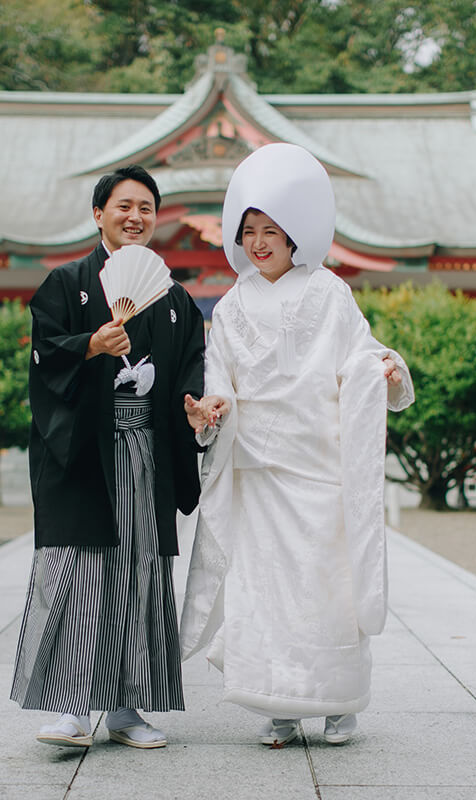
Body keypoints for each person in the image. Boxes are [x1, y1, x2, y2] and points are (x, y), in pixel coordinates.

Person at [181, 143, 414, 747]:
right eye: (249, 230)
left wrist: (380, 369)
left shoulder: (330, 293)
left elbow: (358, 354)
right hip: (259, 469)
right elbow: (219, 377)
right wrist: (210, 408)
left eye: (271, 230)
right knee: (264, 591)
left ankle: (339, 705)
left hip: (318, 466)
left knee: (326, 586)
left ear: (295, 235)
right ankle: (277, 703)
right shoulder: (230, 307)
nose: (259, 242)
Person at [11, 164, 205, 750]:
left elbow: (193, 367)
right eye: (123, 206)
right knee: (78, 573)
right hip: (83, 453)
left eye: (146, 207)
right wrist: (90, 344)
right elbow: (45, 357)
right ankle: (69, 708)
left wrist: (196, 406)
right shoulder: (65, 283)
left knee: (140, 576)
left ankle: (126, 709)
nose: (135, 217)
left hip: (147, 452)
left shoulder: (174, 301)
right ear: (99, 214)